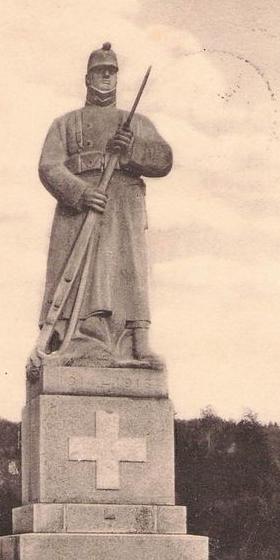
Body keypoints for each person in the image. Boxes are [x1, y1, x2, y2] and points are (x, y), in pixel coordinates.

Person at [37, 42, 173, 367]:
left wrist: (132, 149)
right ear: (88, 78)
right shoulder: (65, 124)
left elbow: (164, 159)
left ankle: (137, 342)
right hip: (80, 209)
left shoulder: (135, 122)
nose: (106, 78)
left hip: (124, 206)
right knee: (72, 271)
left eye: (111, 72)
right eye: (100, 72)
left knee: (130, 273)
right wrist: (80, 192)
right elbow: (49, 166)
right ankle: (74, 340)